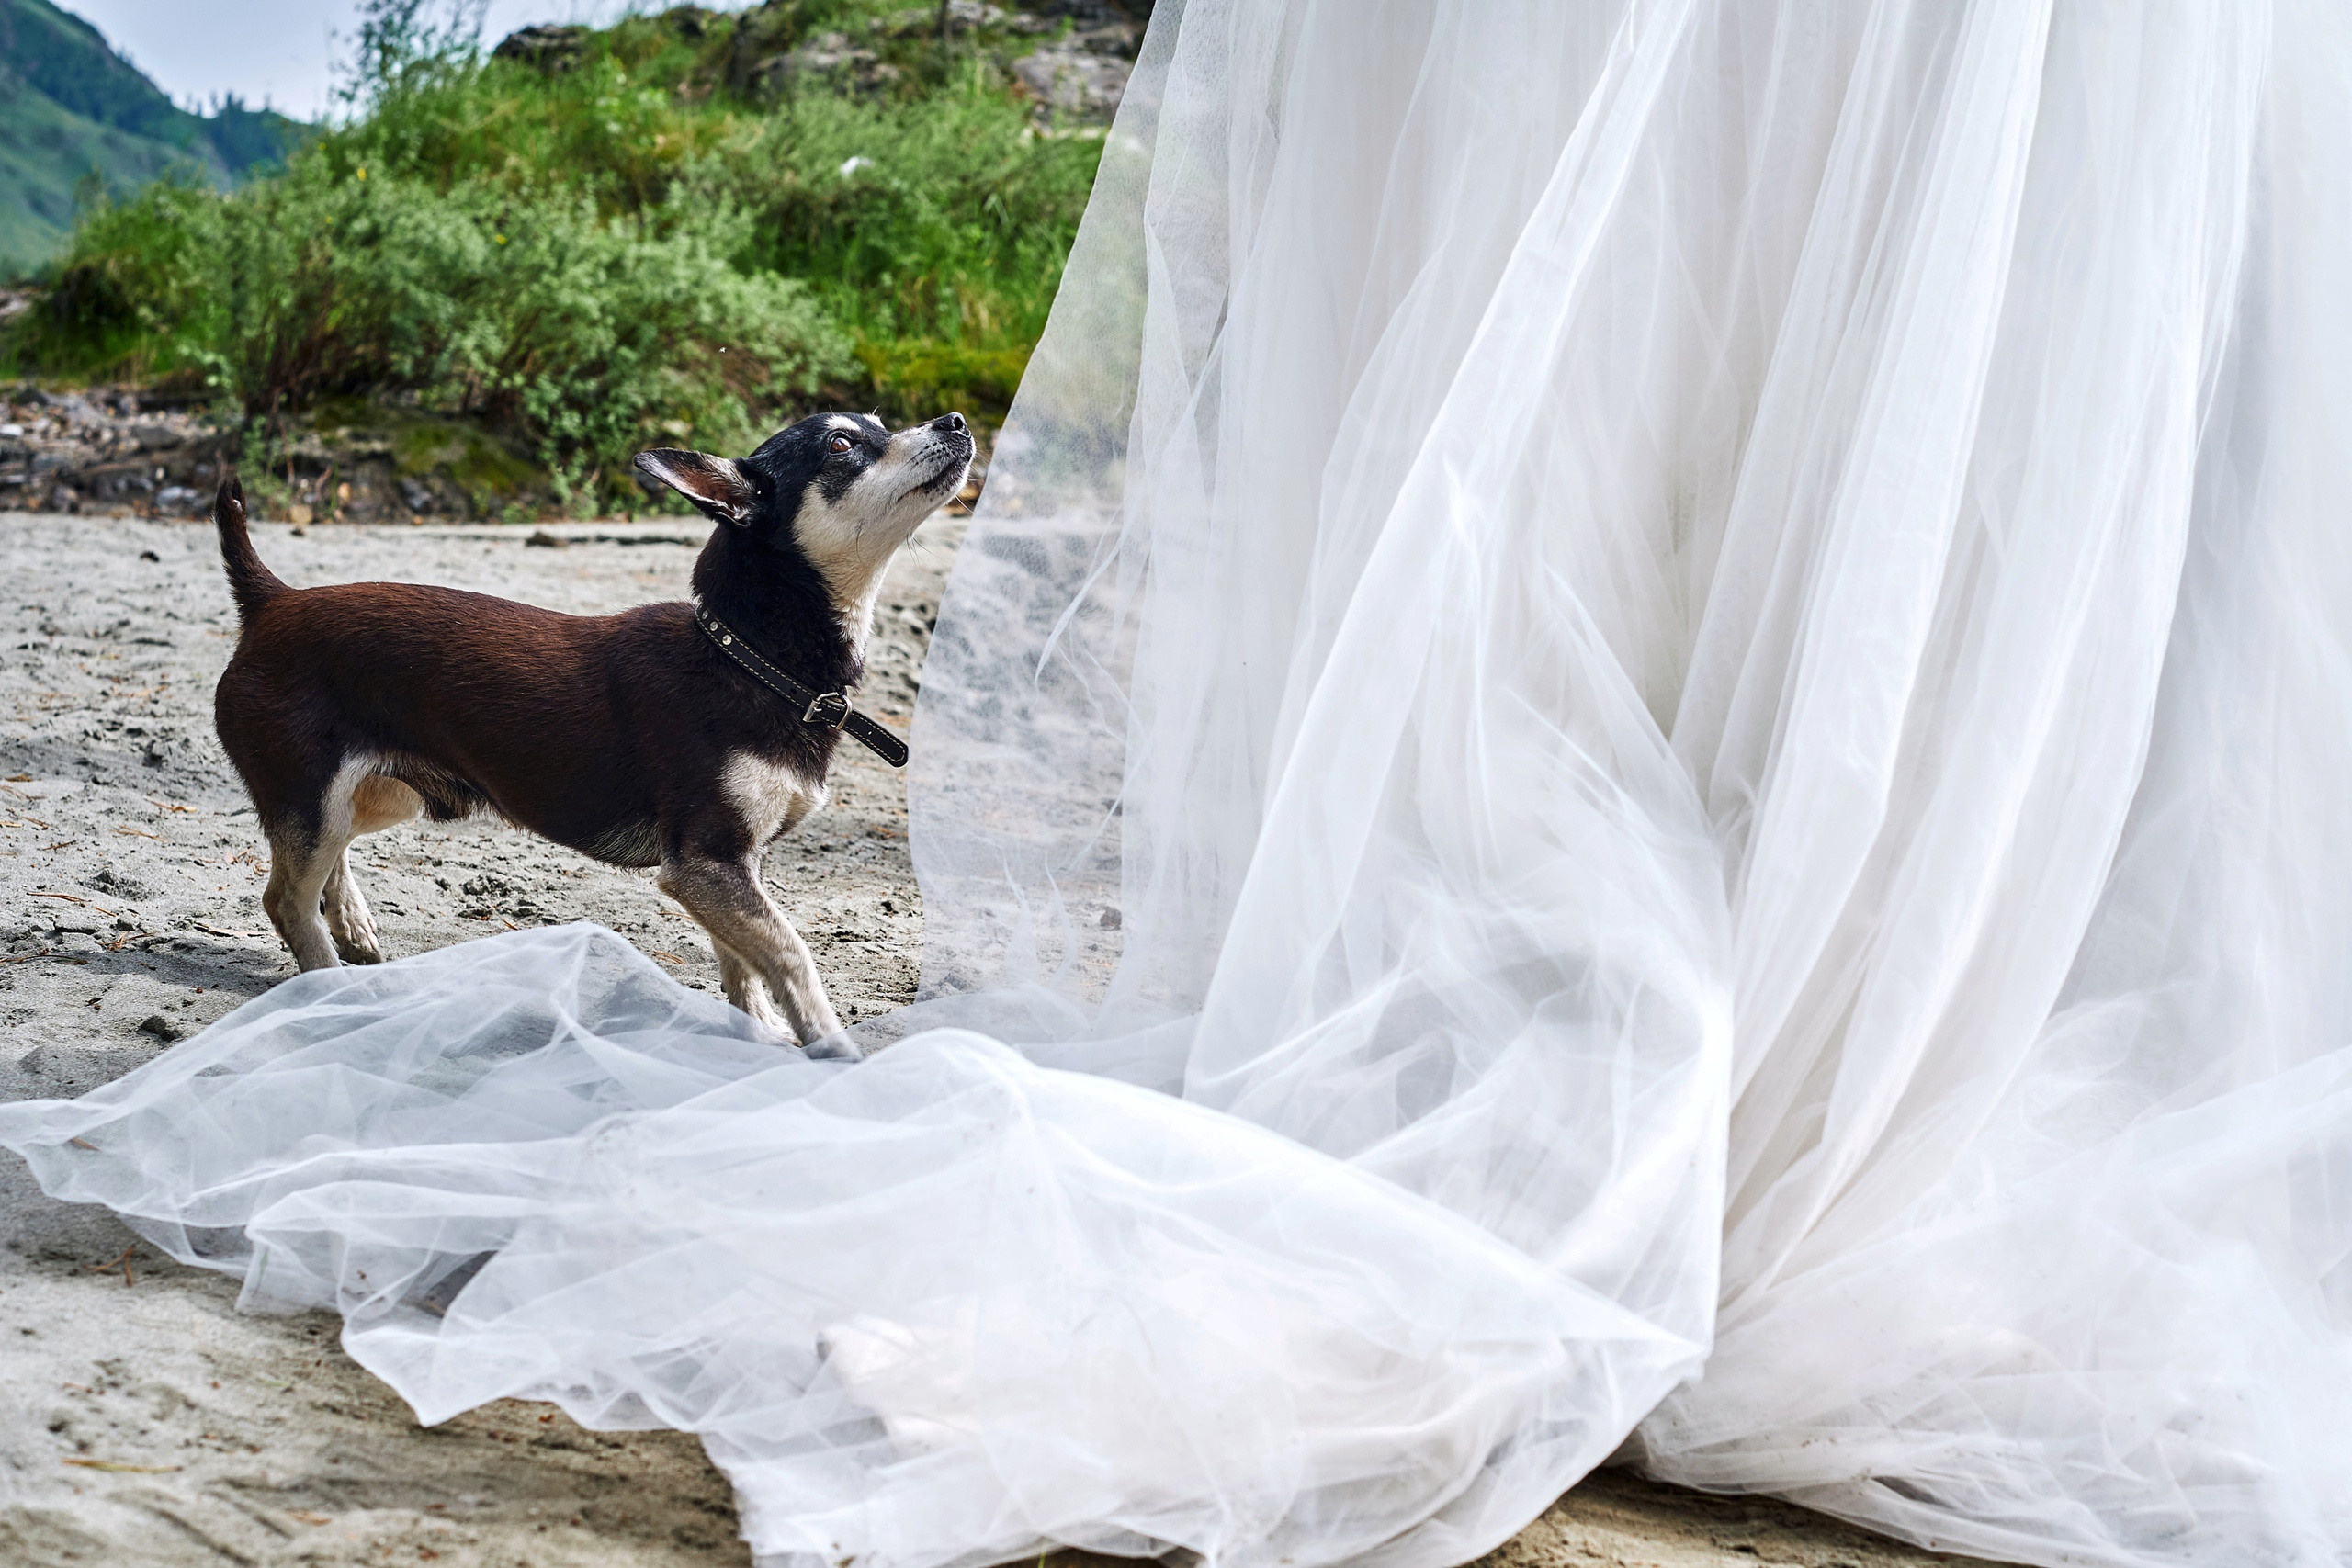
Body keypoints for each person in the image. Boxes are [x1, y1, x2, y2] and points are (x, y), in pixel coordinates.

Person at [7, 4, 2348, 1565]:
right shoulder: (697, 675)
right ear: (765, 510)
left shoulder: (749, 653)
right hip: (416, 707)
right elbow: (702, 849)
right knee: (475, 854)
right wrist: (782, 970)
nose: (919, 459)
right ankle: (323, 918)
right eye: (866, 457)